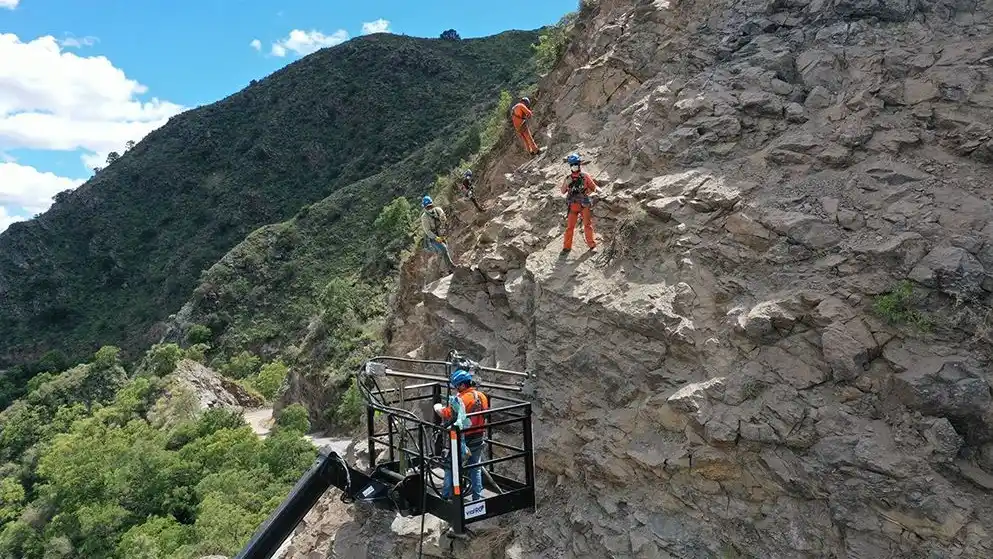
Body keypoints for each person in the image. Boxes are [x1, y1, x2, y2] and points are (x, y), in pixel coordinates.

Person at [434, 369, 489, 502]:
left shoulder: (461, 399)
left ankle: (446, 495)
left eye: (457, 386)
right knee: (475, 467)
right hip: (479, 436)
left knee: (450, 465)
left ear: (462, 385)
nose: (456, 389)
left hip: (463, 439)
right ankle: (478, 498)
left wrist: (437, 408)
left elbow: (447, 414)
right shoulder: (482, 396)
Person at [560, 153, 598, 252]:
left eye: (575, 164)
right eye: (572, 165)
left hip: (584, 205)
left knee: (587, 225)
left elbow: (593, 187)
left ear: (579, 164)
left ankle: (592, 245)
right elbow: (563, 191)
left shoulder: (585, 176)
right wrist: (566, 183)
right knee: (570, 227)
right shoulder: (568, 178)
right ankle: (566, 247)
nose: (574, 166)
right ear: (570, 166)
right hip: (572, 206)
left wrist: (592, 191)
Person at [421, 195, 455, 267]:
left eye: (430, 206)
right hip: (433, 237)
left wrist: (443, 229)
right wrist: (436, 237)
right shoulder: (424, 217)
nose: (429, 208)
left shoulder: (438, 210)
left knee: (445, 250)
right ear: (425, 208)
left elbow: (444, 220)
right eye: (427, 207)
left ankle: (443, 269)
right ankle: (451, 267)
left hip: (441, 232)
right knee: (444, 249)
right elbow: (427, 231)